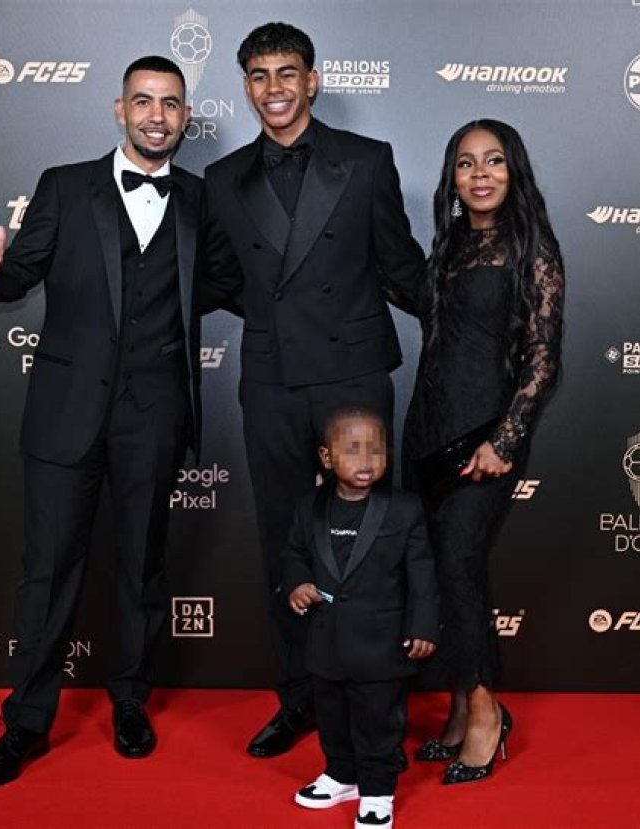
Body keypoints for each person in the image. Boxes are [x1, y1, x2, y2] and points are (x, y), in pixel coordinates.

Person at [0, 55, 233, 789]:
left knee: (141, 565)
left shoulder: (201, 198)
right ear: (119, 109)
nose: (155, 116)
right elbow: (21, 270)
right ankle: (25, 722)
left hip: (155, 412)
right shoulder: (64, 185)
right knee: (48, 570)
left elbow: (225, 282)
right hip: (66, 410)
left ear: (185, 116)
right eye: (143, 101)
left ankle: (131, 700)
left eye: (169, 104)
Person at [204, 22, 425, 758]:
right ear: (245, 86)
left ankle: (376, 692)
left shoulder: (365, 160)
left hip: (352, 374)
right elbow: (219, 279)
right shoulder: (224, 179)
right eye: (259, 75)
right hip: (271, 379)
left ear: (312, 80)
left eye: (286, 72)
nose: (273, 88)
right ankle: (299, 693)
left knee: (370, 537)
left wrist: (474, 316)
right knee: (287, 540)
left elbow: (400, 266)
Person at [390, 119, 564, 784]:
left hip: (486, 439)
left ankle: (488, 714)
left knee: (460, 567)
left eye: (493, 161)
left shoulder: (532, 248)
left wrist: (506, 438)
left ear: (513, 171)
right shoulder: (451, 246)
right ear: (453, 179)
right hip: (426, 432)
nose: (480, 174)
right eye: (466, 164)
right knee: (440, 574)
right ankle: (462, 705)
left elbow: (543, 358)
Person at [281, 406, 439, 829]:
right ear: (326, 456)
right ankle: (340, 775)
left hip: (382, 645)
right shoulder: (309, 507)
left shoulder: (405, 508)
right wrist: (298, 584)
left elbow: (422, 573)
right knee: (331, 716)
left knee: (378, 723)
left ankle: (377, 793)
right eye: (352, 449)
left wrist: (423, 626)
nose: (366, 460)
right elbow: (294, 555)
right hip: (326, 641)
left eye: (376, 449)